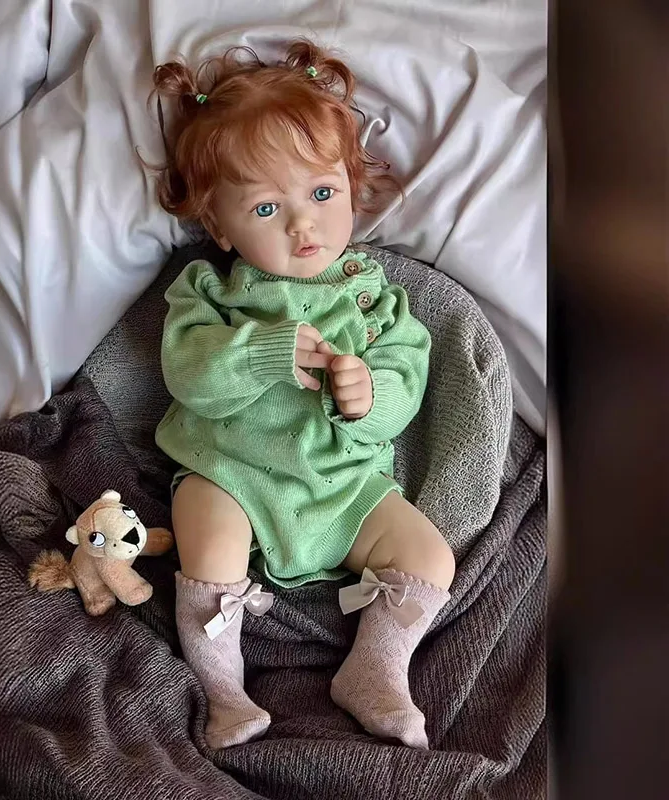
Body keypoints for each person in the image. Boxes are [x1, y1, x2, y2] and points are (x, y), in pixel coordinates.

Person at [150, 40, 455, 750]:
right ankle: (222, 689)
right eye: (266, 207)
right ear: (220, 227)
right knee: (207, 528)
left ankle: (376, 671)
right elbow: (187, 374)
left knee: (428, 555)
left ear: (351, 185)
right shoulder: (211, 295)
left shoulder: (375, 301)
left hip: (345, 490)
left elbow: (407, 382)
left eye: (322, 194)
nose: (302, 225)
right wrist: (260, 352)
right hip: (234, 473)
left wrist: (368, 395)